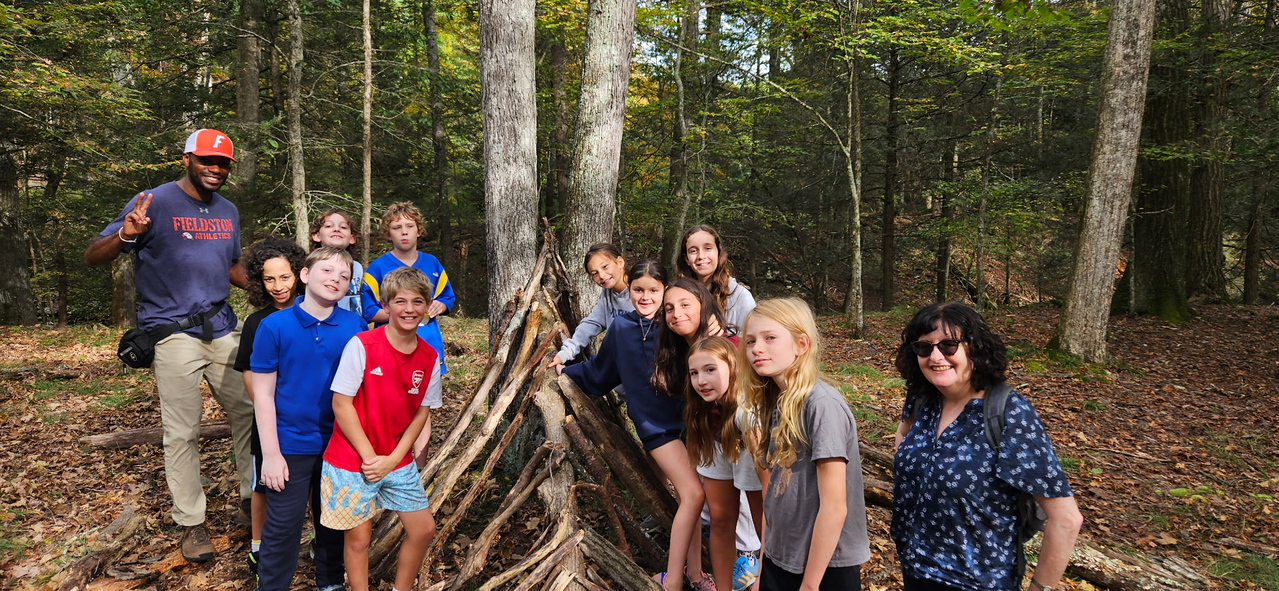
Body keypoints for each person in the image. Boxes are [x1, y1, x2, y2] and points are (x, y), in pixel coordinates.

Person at [83, 128, 255, 563]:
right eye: (206, 161)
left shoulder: (228, 210)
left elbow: (231, 264)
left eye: (222, 164)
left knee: (251, 413)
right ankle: (192, 523)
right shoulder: (153, 202)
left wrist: (269, 288)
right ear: (187, 159)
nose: (215, 169)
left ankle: (252, 501)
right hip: (171, 330)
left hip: (222, 326)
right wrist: (125, 235)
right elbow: (93, 255)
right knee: (183, 430)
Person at [891, 302, 1082, 591]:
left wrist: (1040, 588)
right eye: (924, 347)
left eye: (949, 345)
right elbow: (904, 434)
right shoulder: (923, 399)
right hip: (915, 571)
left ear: (975, 349)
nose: (935, 356)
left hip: (978, 582)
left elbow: (1066, 518)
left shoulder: (1008, 413)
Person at [561, 260, 713, 591]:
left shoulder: (674, 325)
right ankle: (677, 579)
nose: (645, 297)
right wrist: (562, 370)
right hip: (655, 427)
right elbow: (600, 373)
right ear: (628, 290)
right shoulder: (621, 328)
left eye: (653, 291)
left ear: (664, 290)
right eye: (638, 290)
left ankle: (697, 573)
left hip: (691, 424)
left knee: (692, 499)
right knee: (692, 494)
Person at [250, 247, 367, 591]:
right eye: (327, 271)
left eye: (344, 276)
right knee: (283, 525)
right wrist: (271, 454)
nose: (335, 279)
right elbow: (263, 395)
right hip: (290, 446)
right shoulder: (273, 326)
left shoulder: (354, 325)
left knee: (331, 523)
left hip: (339, 444)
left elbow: (362, 391)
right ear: (304, 275)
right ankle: (271, 585)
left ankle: (330, 583)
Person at [321, 267, 441, 591]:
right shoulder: (362, 345)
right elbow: (341, 404)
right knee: (359, 538)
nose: (409, 309)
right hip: (352, 456)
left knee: (423, 529)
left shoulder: (430, 357)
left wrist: (394, 457)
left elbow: (421, 412)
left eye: (418, 301)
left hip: (396, 457)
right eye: (400, 301)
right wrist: (371, 457)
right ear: (386, 306)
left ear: (428, 305)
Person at [742, 298, 870, 591]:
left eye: (770, 338)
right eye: (750, 341)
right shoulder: (776, 401)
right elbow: (774, 498)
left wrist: (810, 585)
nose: (756, 349)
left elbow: (835, 507)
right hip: (781, 558)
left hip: (824, 568)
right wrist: (763, 567)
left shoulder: (821, 405)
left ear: (802, 344)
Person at [233, 238, 308, 575]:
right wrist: (269, 411)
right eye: (269, 279)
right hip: (268, 419)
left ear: (299, 275)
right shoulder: (256, 322)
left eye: (285, 277)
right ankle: (258, 545)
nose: (278, 286)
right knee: (262, 485)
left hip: (307, 419)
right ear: (259, 282)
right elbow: (250, 376)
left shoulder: (313, 313)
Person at [687, 335, 766, 591]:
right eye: (694, 373)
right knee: (720, 518)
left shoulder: (748, 413)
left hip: (745, 445)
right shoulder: (704, 411)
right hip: (718, 439)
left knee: (760, 519)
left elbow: (768, 509)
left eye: (710, 369)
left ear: (732, 367)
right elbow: (720, 520)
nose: (701, 381)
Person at [362, 202, 456, 373]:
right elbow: (369, 311)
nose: (404, 232)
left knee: (427, 394)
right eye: (397, 227)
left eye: (410, 226)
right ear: (388, 233)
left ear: (419, 230)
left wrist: (440, 305)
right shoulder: (377, 268)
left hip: (428, 340)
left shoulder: (432, 263)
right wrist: (403, 312)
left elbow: (447, 298)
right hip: (390, 345)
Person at [548, 243, 634, 369]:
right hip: (620, 374)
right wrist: (565, 354)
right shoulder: (607, 295)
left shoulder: (642, 292)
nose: (602, 276)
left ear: (620, 262)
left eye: (605, 266)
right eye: (595, 273)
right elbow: (591, 324)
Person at [679, 224, 756, 333]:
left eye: (708, 248)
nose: (701, 256)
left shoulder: (740, 296)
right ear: (686, 258)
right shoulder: (680, 296)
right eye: (693, 251)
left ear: (719, 253)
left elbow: (750, 340)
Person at [311, 209, 364, 318]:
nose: (336, 229)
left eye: (343, 227)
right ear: (317, 236)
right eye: (329, 226)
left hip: (352, 325)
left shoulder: (357, 267)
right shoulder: (311, 266)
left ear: (352, 238)